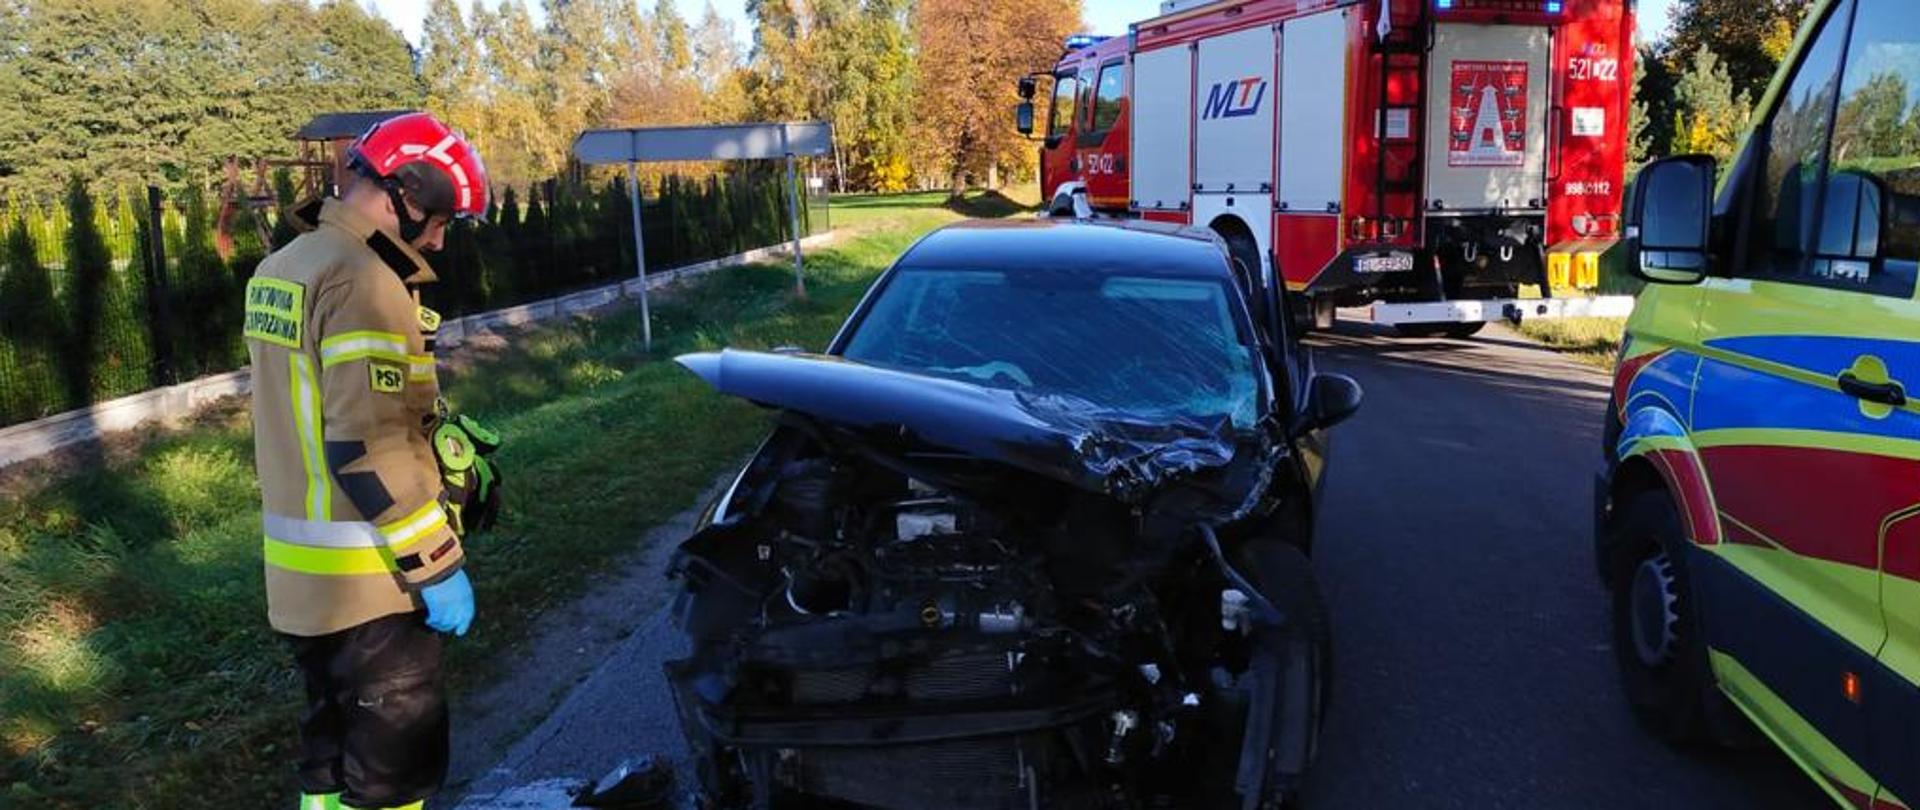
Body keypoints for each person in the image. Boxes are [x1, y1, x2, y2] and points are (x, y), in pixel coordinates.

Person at [243, 112, 494, 810]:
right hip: (371, 584)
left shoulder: (284, 267)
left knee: (328, 766)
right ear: (404, 195)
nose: (441, 238)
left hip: (303, 588)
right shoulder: (366, 282)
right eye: (440, 219)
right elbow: (366, 446)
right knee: (393, 779)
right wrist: (438, 565)